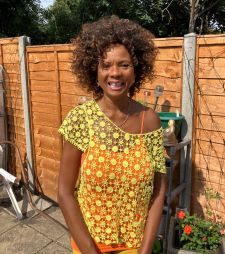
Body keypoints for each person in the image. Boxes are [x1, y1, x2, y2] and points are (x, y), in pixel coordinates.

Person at [58, 15, 167, 254]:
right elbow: (64, 192)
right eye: (105, 65)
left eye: (124, 65)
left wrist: (144, 251)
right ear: (94, 72)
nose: (114, 73)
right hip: (89, 245)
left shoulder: (149, 121)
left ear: (136, 70)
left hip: (135, 246)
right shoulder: (80, 119)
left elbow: (159, 191)